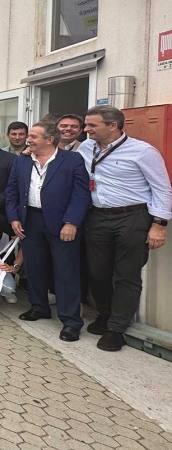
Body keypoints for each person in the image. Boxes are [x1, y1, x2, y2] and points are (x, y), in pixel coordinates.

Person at [79, 105, 171, 351]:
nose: (86, 129)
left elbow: (162, 189)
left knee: (126, 275)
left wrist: (159, 225)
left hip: (132, 218)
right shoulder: (86, 148)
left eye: (92, 125)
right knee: (97, 272)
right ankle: (105, 314)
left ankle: (117, 328)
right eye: (86, 124)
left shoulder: (143, 152)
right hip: (97, 217)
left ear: (113, 125)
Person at [6, 121, 90, 342]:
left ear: (49, 140)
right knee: (34, 267)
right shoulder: (22, 161)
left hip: (61, 223)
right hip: (30, 220)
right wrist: (14, 217)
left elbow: (81, 194)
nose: (28, 140)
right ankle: (39, 306)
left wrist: (72, 222)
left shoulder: (72, 160)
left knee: (66, 271)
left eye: (33, 136)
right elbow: (12, 190)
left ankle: (71, 321)